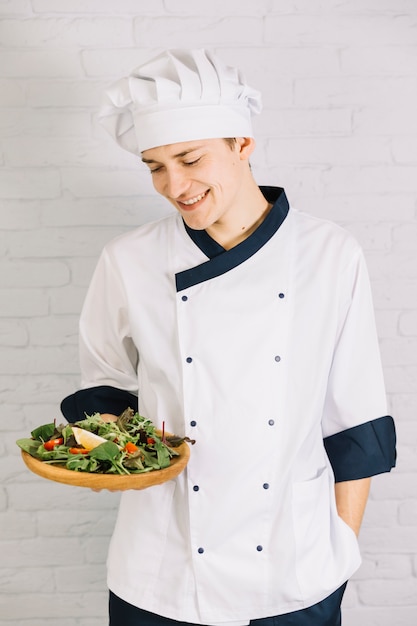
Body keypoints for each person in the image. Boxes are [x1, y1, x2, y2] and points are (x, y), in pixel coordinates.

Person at [60, 49, 396, 626]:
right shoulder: (128, 260)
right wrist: (110, 452)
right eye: (155, 167)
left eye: (190, 158)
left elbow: (354, 419)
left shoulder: (329, 254)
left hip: (294, 565)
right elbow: (106, 387)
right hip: (159, 567)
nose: (174, 185)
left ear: (243, 145)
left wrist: (341, 550)